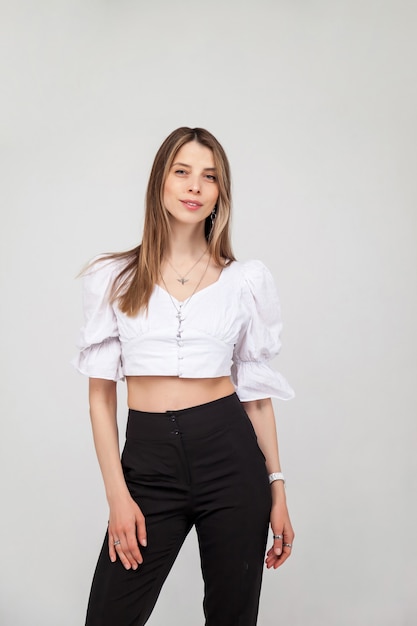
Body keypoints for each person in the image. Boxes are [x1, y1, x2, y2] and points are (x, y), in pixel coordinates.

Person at [73, 127, 295, 626]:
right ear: (161, 183)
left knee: (231, 618)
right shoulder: (114, 277)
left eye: (209, 177)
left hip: (231, 458)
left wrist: (277, 488)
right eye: (182, 172)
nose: (195, 186)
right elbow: (100, 400)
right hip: (148, 464)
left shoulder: (244, 281)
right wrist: (117, 495)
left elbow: (255, 394)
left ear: (220, 193)